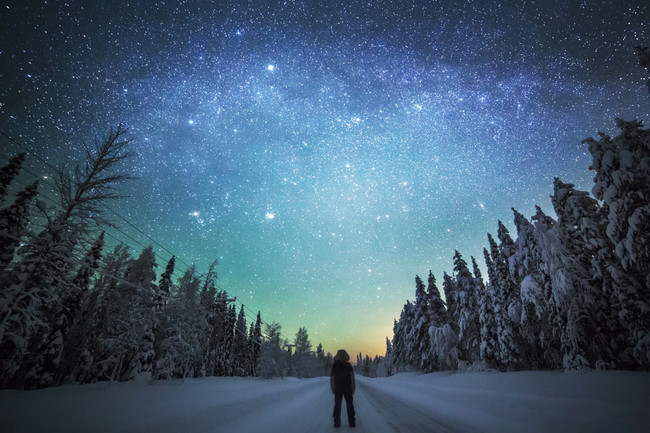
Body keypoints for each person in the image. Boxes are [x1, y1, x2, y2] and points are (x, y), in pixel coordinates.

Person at [330, 349, 356, 428]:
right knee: (349, 405)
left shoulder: (334, 366)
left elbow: (332, 379)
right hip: (347, 388)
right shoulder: (348, 365)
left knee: (337, 405)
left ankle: (336, 423)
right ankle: (352, 422)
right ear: (346, 355)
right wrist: (353, 389)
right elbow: (352, 378)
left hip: (338, 388)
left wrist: (333, 389)